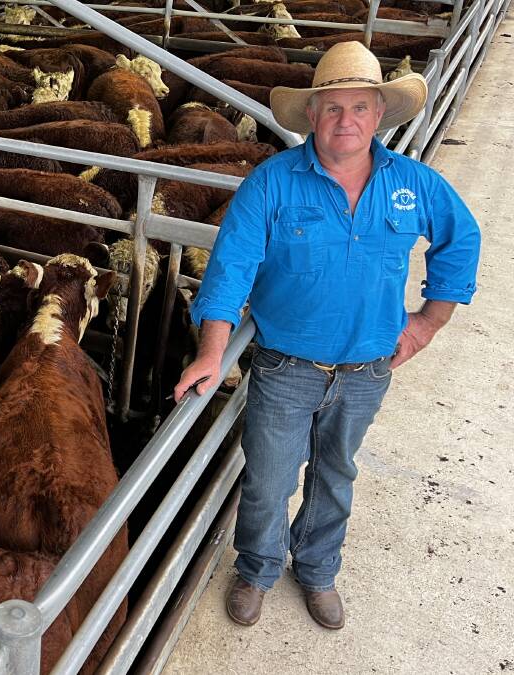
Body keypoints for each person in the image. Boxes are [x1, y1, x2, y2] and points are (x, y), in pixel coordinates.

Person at [173, 41, 481, 630]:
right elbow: (230, 268)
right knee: (268, 476)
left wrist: (428, 322)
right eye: (333, 108)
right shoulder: (271, 184)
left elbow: (461, 240)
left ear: (379, 115)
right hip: (286, 366)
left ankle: (316, 570)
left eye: (360, 107)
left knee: (336, 473)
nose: (347, 121)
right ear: (312, 115)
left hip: (368, 368)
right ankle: (257, 569)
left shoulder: (414, 184)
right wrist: (212, 352)